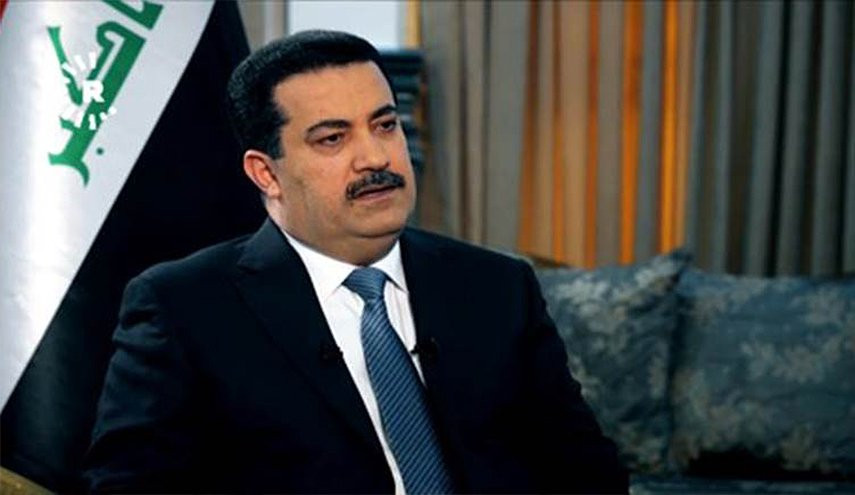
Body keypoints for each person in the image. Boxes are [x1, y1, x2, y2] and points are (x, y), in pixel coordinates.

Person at [85, 30, 628, 494]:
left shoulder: (496, 287)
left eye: (385, 125)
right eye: (333, 138)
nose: (375, 157)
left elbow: (588, 474)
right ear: (266, 173)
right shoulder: (184, 309)